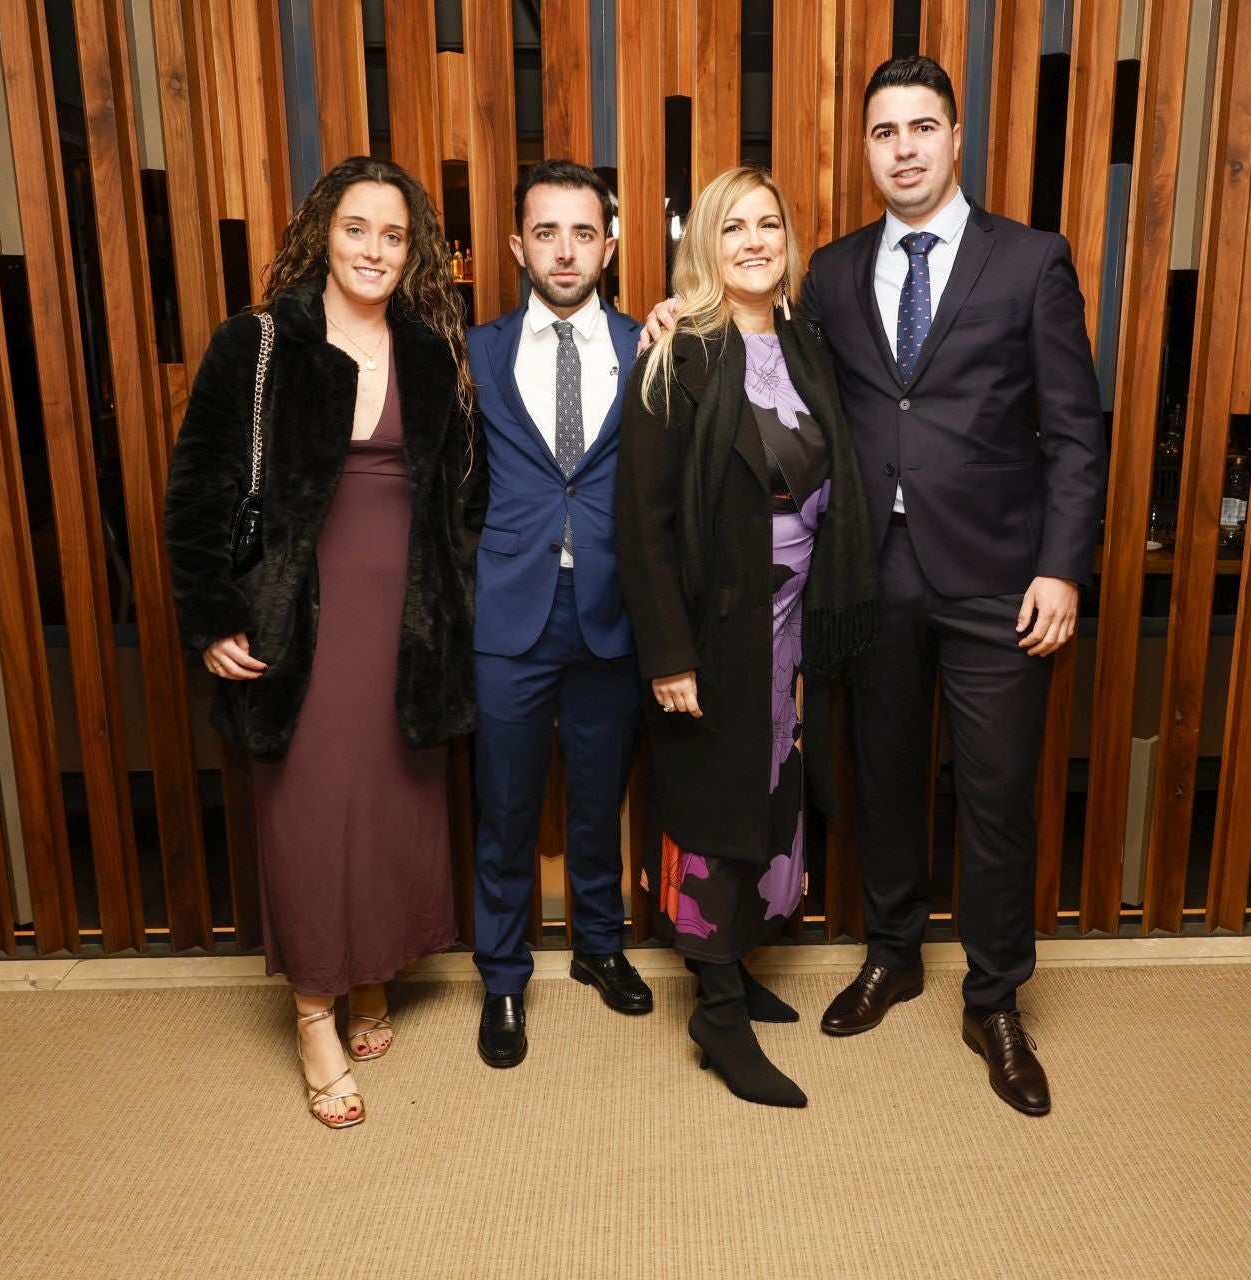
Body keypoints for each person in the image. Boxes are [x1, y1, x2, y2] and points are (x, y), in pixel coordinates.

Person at [643, 56, 1106, 1116]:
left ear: (954, 137)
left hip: (1002, 580)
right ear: (867, 149)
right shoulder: (835, 274)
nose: (902, 147)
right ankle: (893, 951)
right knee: (884, 774)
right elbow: (750, 344)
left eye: (921, 127)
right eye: (883, 131)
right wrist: (669, 319)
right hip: (868, 579)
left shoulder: (1032, 261)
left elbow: (1077, 432)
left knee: (992, 795)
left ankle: (994, 996)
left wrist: (1062, 567)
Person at [164, 157, 480, 1129]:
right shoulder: (257, 342)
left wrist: (457, 599)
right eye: (356, 229)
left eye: (392, 235)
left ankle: (372, 973)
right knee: (308, 812)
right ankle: (315, 1014)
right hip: (298, 619)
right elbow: (198, 488)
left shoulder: (430, 351)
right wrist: (214, 613)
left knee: (392, 807)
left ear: (412, 248)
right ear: (323, 234)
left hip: (410, 619)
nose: (374, 250)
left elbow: (464, 492)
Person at [617, 166, 876, 1109]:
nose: (755, 242)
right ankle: (715, 1013)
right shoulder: (678, 352)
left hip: (797, 626)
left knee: (772, 801)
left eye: (770, 225)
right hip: (719, 624)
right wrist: (670, 656)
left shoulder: (806, 342)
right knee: (712, 811)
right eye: (734, 229)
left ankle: (736, 962)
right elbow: (641, 524)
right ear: (706, 246)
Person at [466, 160, 653, 1070]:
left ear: (609, 246)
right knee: (504, 804)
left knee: (597, 791)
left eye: (584, 233)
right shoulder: (479, 352)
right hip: (510, 611)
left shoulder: (651, 345)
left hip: (612, 605)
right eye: (547, 232)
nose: (566, 250)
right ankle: (502, 976)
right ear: (518, 245)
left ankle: (600, 944)